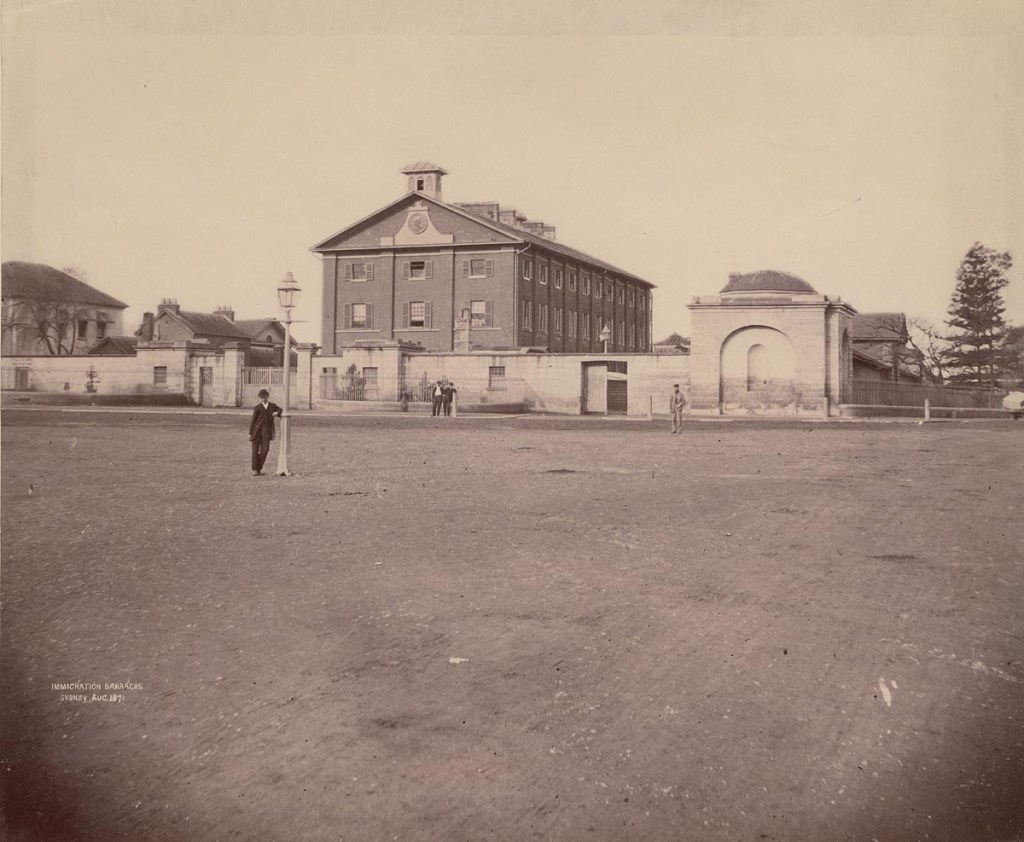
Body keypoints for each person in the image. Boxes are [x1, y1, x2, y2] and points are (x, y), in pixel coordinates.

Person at [249, 388, 283, 475]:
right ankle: (255, 470)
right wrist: (250, 433)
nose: (262, 399)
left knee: (265, 450)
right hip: (256, 432)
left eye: (264, 397)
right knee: (255, 450)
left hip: (266, 431)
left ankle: (259, 467)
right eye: (261, 397)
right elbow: (253, 421)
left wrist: (277, 413)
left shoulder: (272, 406)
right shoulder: (257, 408)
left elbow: (280, 409)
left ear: (267, 397)